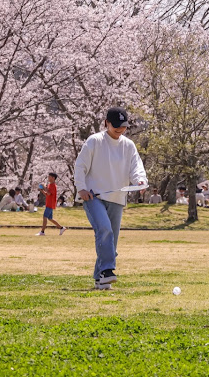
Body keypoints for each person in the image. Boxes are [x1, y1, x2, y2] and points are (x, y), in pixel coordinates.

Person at [74, 107, 148, 290]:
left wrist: (140, 181)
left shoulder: (128, 145)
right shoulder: (95, 141)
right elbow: (80, 166)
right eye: (116, 126)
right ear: (106, 123)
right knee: (104, 230)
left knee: (111, 239)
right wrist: (81, 188)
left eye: (123, 127)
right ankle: (108, 271)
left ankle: (100, 277)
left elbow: (136, 166)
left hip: (117, 197)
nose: (120, 130)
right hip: (94, 196)